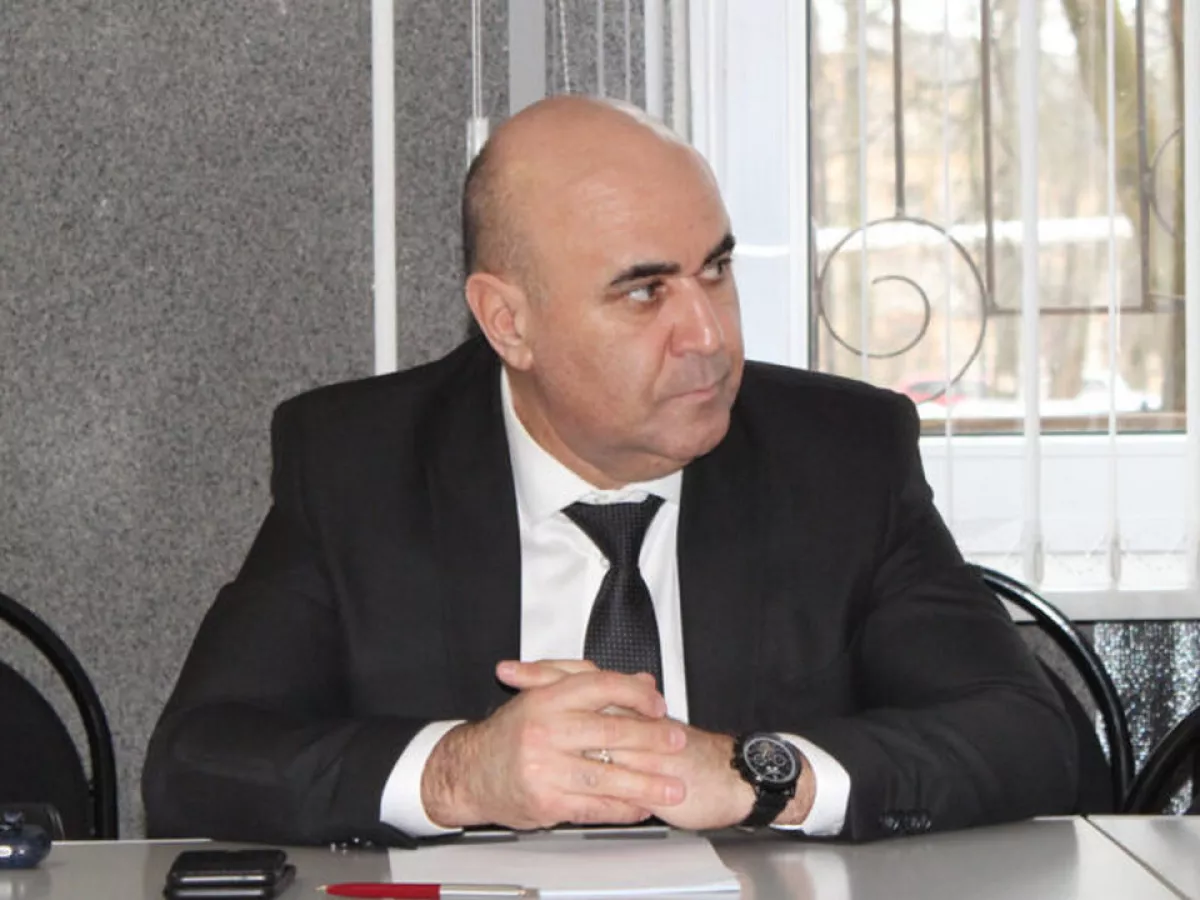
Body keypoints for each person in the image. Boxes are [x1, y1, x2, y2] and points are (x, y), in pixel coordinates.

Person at [142, 96, 1077, 845]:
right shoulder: (360, 462)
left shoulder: (839, 454)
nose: (708, 336)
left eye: (716, 271)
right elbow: (199, 759)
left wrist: (756, 774)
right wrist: (462, 773)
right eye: (644, 291)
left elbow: (1029, 738)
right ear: (509, 322)